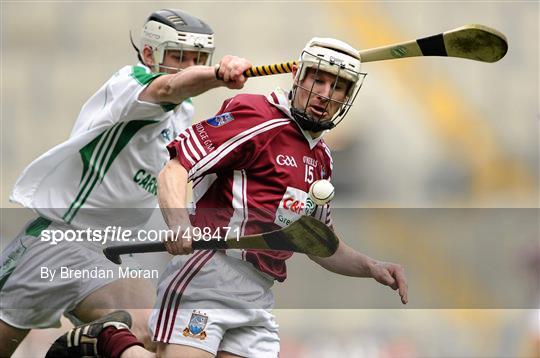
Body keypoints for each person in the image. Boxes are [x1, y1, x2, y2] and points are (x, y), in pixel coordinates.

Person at [47, 37, 408, 358]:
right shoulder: (256, 116)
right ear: (299, 78)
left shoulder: (322, 159)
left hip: (259, 294)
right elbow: (174, 168)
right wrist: (177, 224)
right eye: (319, 79)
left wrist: (371, 267)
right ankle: (111, 340)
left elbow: (317, 244)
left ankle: (112, 339)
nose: (326, 94)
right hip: (209, 273)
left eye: (339, 87)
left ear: (347, 97)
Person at [0, 8, 251, 357]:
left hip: (110, 253)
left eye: (198, 58)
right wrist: (217, 74)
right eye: (179, 57)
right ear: (149, 54)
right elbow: (169, 85)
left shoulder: (184, 114)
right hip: (59, 241)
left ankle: (93, 341)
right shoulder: (130, 83)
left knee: (153, 335)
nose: (190, 66)